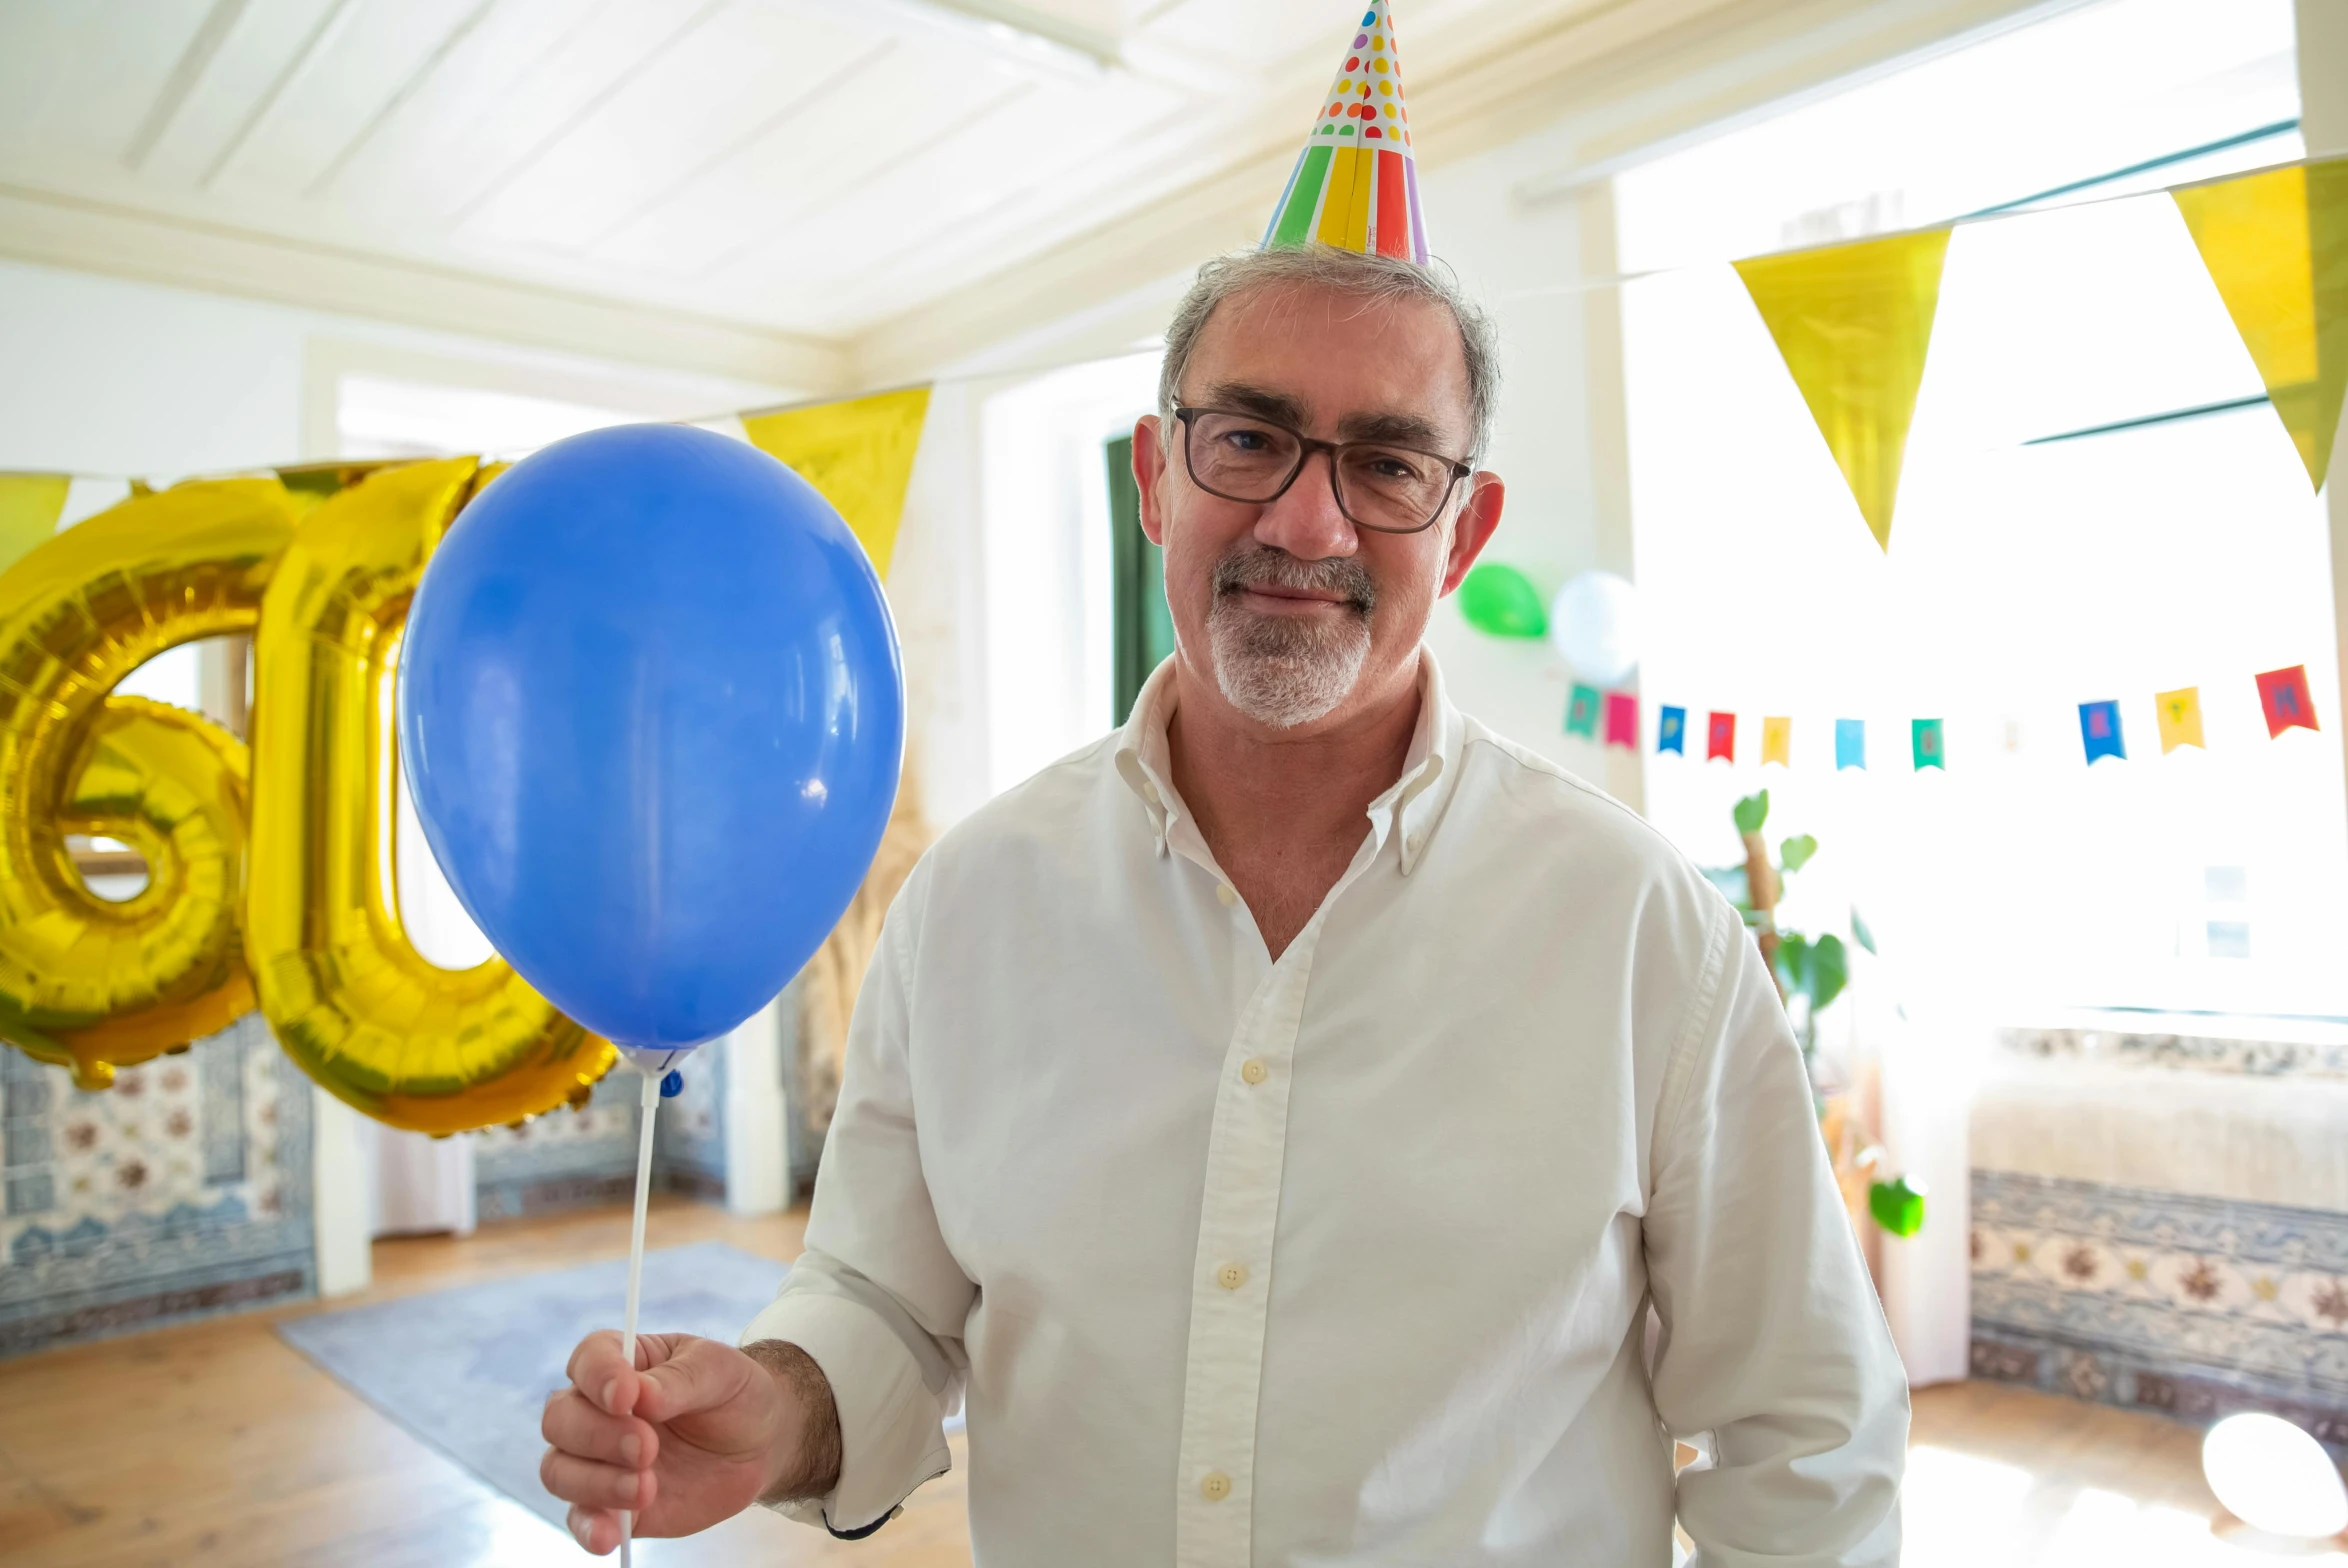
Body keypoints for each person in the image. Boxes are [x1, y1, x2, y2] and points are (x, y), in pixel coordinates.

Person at [538, 239, 1908, 1564]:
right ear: (1155, 477)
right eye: (1247, 439)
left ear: (1464, 525)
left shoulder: (1638, 929)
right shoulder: (971, 903)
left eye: (1386, 463)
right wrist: (777, 1412)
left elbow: (1805, 1434)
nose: (1306, 522)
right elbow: (881, 1300)